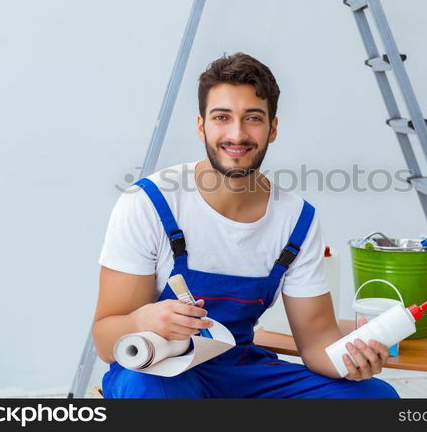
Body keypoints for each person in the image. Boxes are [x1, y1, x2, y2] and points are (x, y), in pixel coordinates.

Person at [92, 52, 399, 398]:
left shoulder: (296, 220)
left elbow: (316, 342)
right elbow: (106, 339)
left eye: (253, 118)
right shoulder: (148, 203)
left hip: (241, 369)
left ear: (273, 129)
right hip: (161, 372)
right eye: (222, 117)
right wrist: (142, 321)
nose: (237, 134)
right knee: (151, 391)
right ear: (201, 126)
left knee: (375, 398)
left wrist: (352, 360)